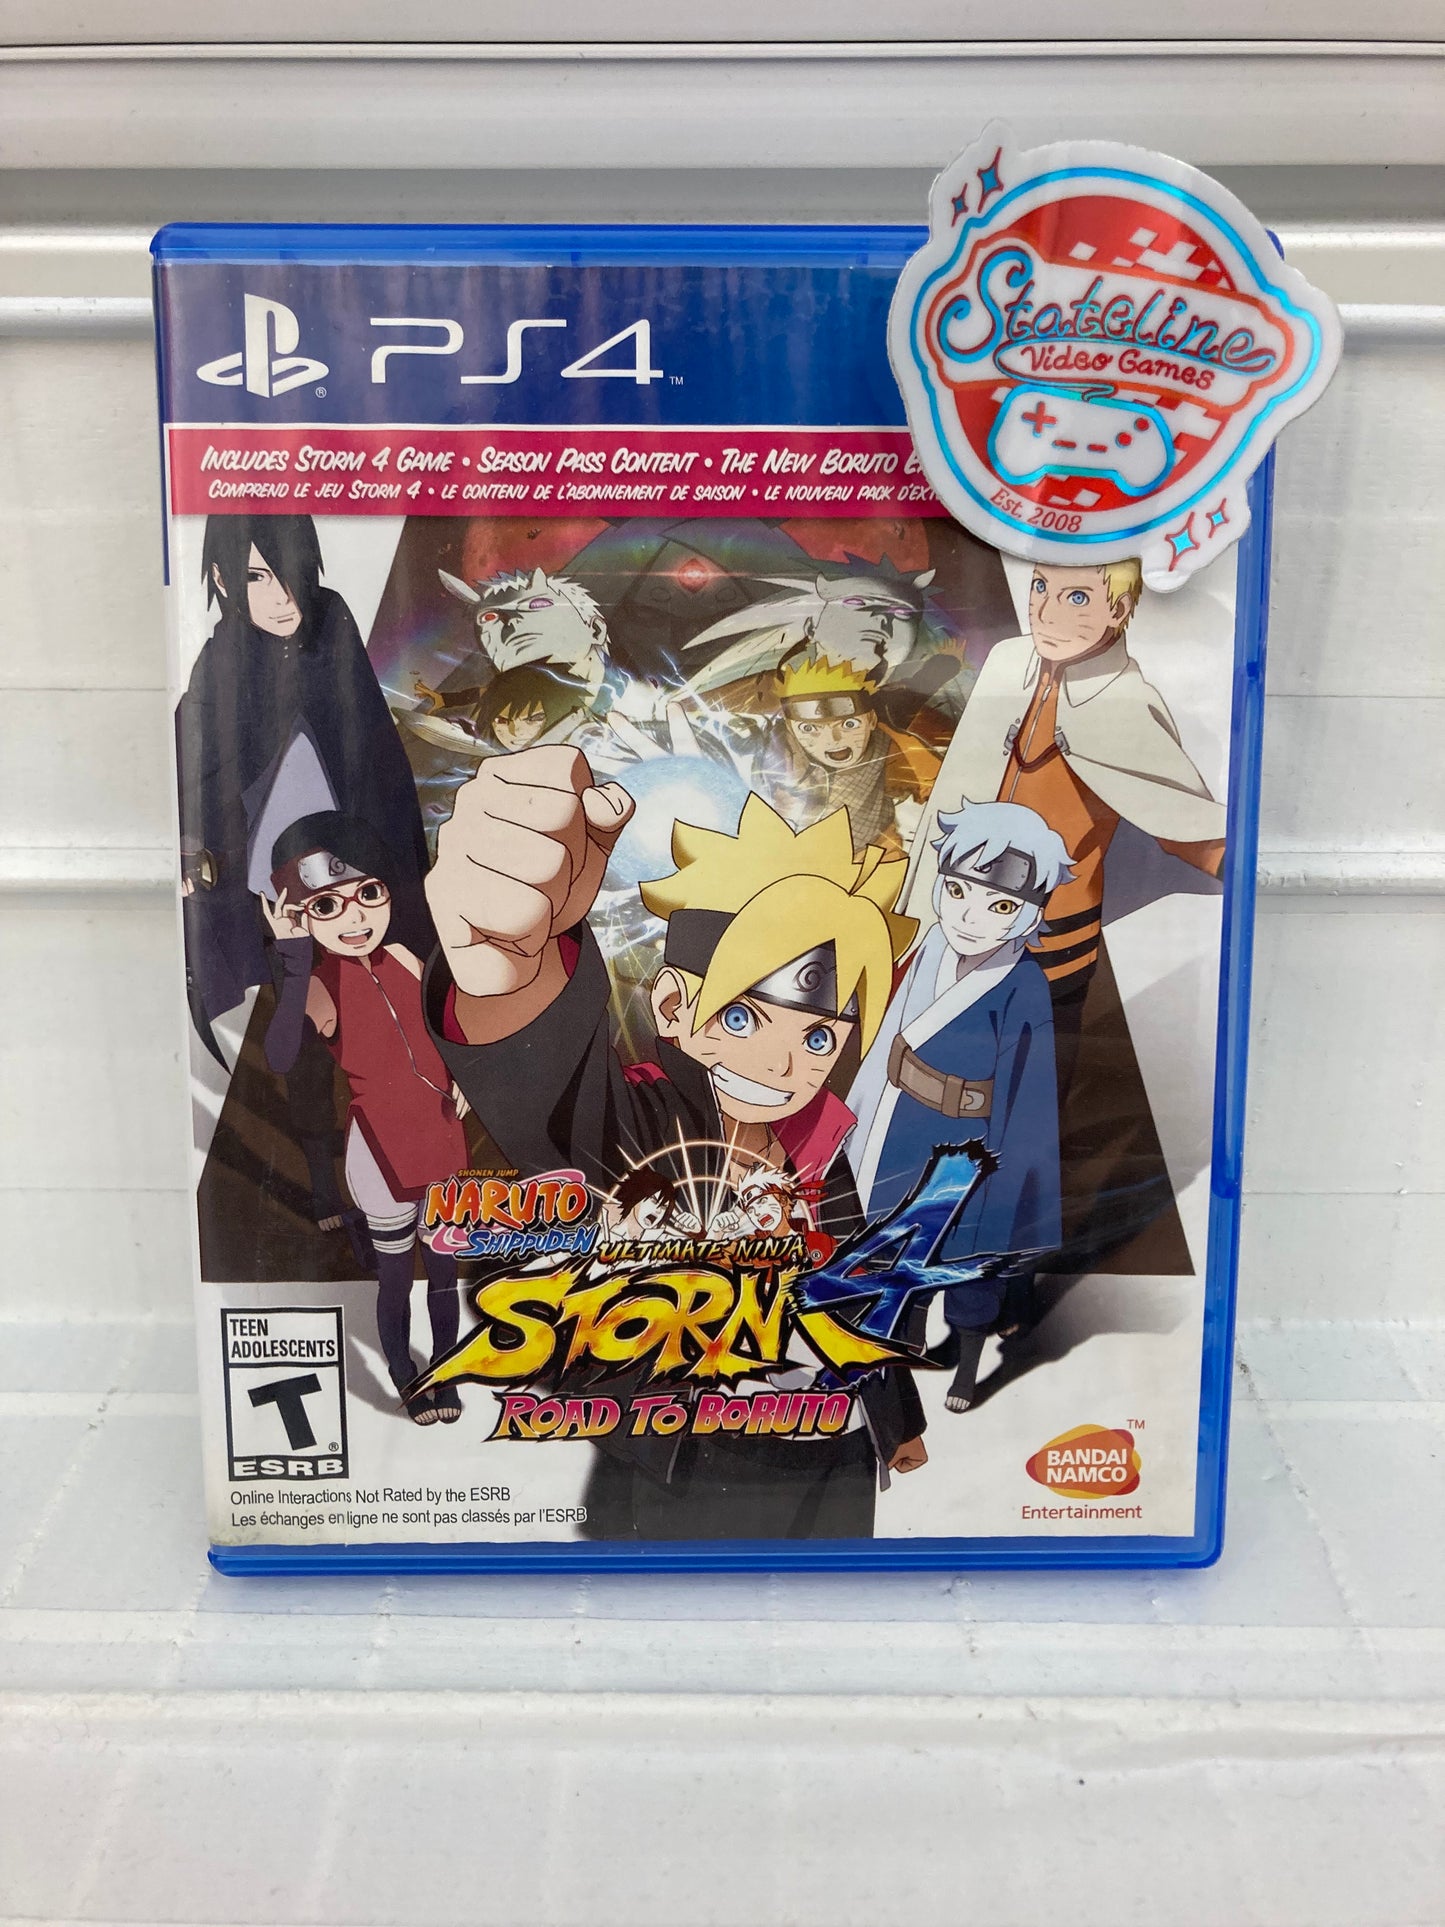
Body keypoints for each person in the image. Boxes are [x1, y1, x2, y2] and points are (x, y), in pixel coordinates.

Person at [420, 758, 927, 1539]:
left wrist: (895, 1422)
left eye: (818, 1037)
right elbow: (558, 1104)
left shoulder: (818, 1143)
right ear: (672, 1006)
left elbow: (855, 1294)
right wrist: (509, 980)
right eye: (740, 1018)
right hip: (691, 1456)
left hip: (835, 1449)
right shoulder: (648, 1120)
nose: (781, 1063)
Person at [902, 558, 1227, 1271]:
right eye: (1040, 588)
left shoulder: (1125, 700)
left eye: (1077, 595)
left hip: (1048, 953)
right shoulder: (1009, 662)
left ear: (1119, 610)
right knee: (934, 1095)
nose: (1046, 611)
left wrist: (1253, 875)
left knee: (1025, 1116)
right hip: (954, 931)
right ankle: (934, 1246)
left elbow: (1184, 818)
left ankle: (999, 1270)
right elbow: (956, 785)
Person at [176, 514, 431, 1246]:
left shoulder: (331, 623)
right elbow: (192, 758)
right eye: (257, 577)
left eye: (291, 573)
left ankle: (399, 1177)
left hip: (349, 871)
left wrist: (396, 864)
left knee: (385, 1026)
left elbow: (374, 751)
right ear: (222, 579)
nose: (282, 597)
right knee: (307, 1038)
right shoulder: (221, 659)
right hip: (272, 884)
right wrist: (193, 850)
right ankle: (325, 1182)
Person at [849, 801, 1072, 1410]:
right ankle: (907, 1343)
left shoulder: (1024, 984)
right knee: (901, 1244)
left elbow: (1027, 1093)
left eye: (1000, 906)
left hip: (972, 1142)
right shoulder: (930, 947)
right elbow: (887, 1033)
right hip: (903, 1124)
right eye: (956, 891)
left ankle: (968, 1366)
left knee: (967, 1258)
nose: (970, 917)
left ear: (1030, 913)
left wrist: (1008, 1184)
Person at [262, 813, 467, 1425]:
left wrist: (464, 1078)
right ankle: (405, 1373)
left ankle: (445, 1369)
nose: (355, 918)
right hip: (379, 1148)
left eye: (368, 893)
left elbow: (449, 1027)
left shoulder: (404, 955)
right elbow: (281, 1054)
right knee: (396, 1276)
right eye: (328, 906)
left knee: (446, 1271)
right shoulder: (317, 984)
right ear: (299, 915)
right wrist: (292, 957)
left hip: (441, 1133)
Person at [764, 652, 941, 854]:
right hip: (803, 856)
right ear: (791, 728)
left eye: (849, 724)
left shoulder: (887, 745)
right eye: (809, 728)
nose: (833, 739)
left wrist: (948, 662)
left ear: (871, 720)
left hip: (875, 850)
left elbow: (935, 782)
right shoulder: (777, 753)